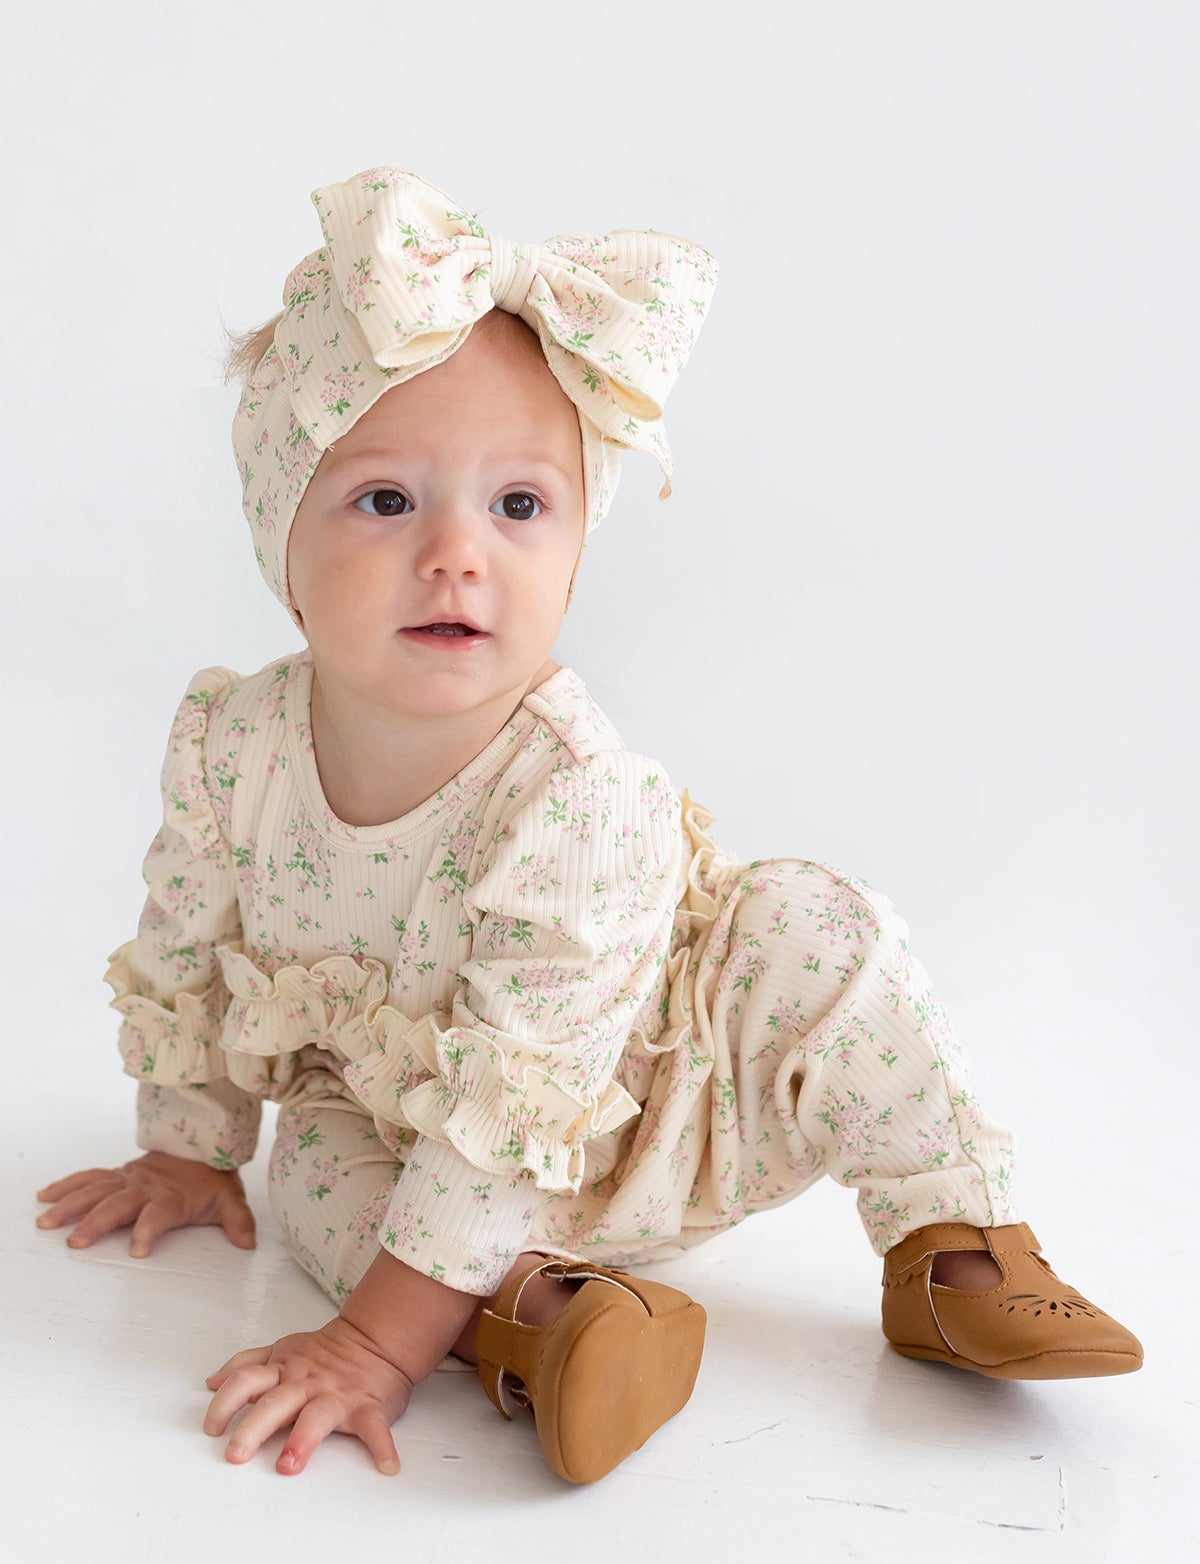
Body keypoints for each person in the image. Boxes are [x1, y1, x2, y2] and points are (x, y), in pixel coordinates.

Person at [35, 165, 1143, 1487]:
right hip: (416, 1121)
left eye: (518, 507)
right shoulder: (233, 749)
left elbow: (530, 1065)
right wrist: (186, 1142)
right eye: (387, 501)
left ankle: (951, 1244)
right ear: (283, 543)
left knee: (817, 931)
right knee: (321, 1185)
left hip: (669, 1092)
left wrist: (367, 1353)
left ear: (572, 546)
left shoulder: (578, 796)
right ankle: (555, 1324)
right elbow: (190, 948)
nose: (459, 554)